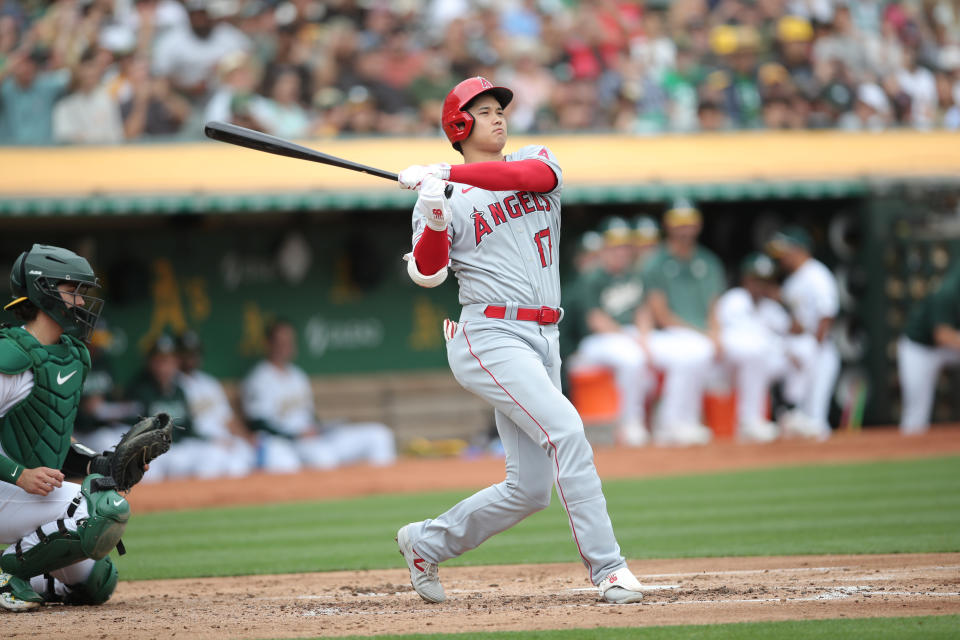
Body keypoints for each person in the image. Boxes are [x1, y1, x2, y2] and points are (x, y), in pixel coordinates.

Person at [392, 76, 646, 605]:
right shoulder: (442, 194)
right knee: (568, 430)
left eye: (498, 109)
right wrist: (437, 208)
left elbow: (529, 175)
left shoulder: (534, 158)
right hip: (490, 332)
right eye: (483, 112)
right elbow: (429, 272)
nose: (498, 118)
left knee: (530, 490)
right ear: (459, 125)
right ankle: (610, 568)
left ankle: (426, 542)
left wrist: (447, 172)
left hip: (544, 334)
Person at [0, 245, 136, 610]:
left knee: (96, 582)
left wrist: (103, 465)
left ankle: (29, 579)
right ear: (42, 290)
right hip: (5, 485)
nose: (80, 301)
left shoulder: (73, 355)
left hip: (18, 494)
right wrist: (19, 474)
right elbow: (24, 465)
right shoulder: (11, 354)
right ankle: (4, 575)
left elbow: (52, 438)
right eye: (72, 290)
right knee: (98, 511)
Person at [241, 319, 396, 473]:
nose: (286, 346)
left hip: (315, 438)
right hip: (288, 444)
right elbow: (257, 424)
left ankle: (383, 488)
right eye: (281, 342)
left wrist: (323, 427)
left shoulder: (297, 375)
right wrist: (296, 435)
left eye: (289, 341)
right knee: (324, 458)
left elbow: (308, 415)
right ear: (268, 344)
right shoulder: (258, 379)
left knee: (379, 435)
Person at [642, 199, 725, 446]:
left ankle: (690, 420)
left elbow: (714, 307)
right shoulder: (655, 262)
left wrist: (716, 334)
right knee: (693, 352)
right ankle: (670, 423)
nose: (684, 229)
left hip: (701, 333)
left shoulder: (708, 261)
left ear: (698, 225)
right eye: (679, 223)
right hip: (666, 335)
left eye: (689, 222)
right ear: (668, 225)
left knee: (748, 348)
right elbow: (662, 315)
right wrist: (705, 334)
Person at [567, 216, 653, 446]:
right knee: (632, 359)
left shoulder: (635, 274)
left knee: (675, 356)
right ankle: (630, 424)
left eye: (625, 246)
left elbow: (642, 310)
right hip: (597, 341)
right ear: (604, 248)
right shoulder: (593, 275)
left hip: (630, 336)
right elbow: (596, 319)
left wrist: (644, 337)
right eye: (615, 246)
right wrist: (633, 339)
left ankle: (669, 423)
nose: (621, 252)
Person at [767, 226, 840, 440]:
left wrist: (815, 348)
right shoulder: (793, 280)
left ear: (798, 249)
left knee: (815, 418)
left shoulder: (817, 274)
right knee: (800, 417)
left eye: (785, 251)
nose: (782, 257)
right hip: (801, 349)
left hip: (819, 349)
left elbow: (827, 313)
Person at [714, 253, 791, 443]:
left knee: (802, 352)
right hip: (724, 366)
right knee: (755, 351)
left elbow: (791, 331)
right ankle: (749, 421)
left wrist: (786, 300)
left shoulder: (771, 306)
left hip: (755, 365)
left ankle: (790, 412)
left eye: (765, 281)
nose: (760, 286)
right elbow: (737, 338)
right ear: (746, 279)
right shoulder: (734, 300)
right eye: (756, 280)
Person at [176, 330, 256, 477]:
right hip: (196, 443)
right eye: (185, 352)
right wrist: (214, 440)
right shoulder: (172, 386)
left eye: (194, 352)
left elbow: (228, 420)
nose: (191, 357)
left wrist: (246, 437)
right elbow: (182, 428)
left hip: (223, 440)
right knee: (212, 460)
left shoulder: (209, 383)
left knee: (241, 458)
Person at [898, 260, 960, 435]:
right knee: (917, 412)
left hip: (948, 348)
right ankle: (910, 451)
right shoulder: (948, 293)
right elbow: (942, 335)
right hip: (919, 349)